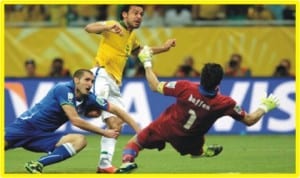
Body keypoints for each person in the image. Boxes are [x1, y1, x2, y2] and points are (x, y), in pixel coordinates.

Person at [116, 46, 280, 173]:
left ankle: (128, 161)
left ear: (201, 77)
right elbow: (250, 120)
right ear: (219, 82)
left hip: (166, 127)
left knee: (135, 142)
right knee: (194, 150)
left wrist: (147, 62)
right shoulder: (225, 103)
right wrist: (264, 107)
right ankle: (200, 152)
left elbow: (154, 86)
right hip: (190, 139)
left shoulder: (185, 87)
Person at [84, 5, 176, 173]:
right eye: (135, 13)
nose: (139, 16)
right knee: (106, 117)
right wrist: (106, 26)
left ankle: (104, 164)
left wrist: (163, 48)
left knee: (117, 124)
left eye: (141, 14)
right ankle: (84, 108)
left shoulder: (131, 37)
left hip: (115, 82)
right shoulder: (113, 25)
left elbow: (141, 51)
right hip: (101, 75)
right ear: (125, 14)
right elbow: (89, 28)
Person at [5, 69, 141, 173]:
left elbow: (117, 110)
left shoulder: (89, 97)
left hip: (44, 136)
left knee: (79, 140)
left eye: (92, 81)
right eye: (87, 80)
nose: (90, 84)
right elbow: (75, 120)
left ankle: (37, 164)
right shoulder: (63, 89)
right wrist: (103, 132)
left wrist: (139, 131)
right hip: (23, 128)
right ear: (76, 80)